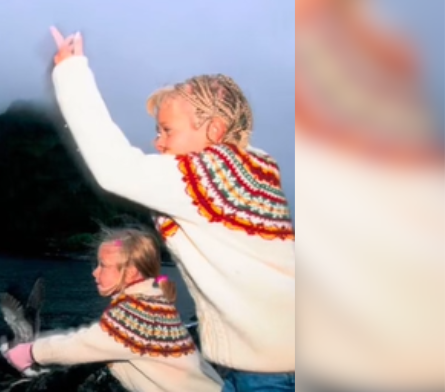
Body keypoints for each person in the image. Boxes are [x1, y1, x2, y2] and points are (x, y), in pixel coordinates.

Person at [45, 27, 296, 392]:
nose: (157, 141)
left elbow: (115, 168)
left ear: (213, 131)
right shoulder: (250, 173)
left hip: (270, 370)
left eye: (167, 130)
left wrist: (71, 72)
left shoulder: (210, 175)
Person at [5, 228, 223, 392]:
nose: (94, 272)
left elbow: (83, 344)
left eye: (103, 265)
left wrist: (30, 352)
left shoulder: (137, 315)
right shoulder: (152, 303)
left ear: (130, 273)